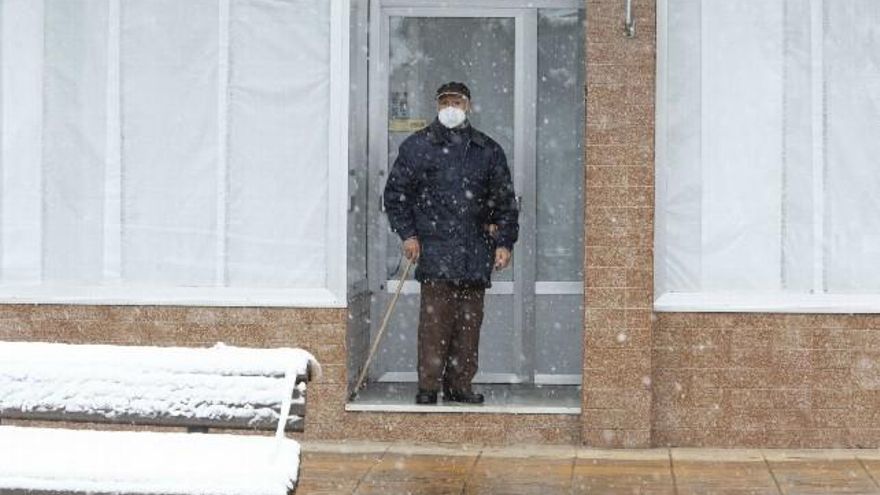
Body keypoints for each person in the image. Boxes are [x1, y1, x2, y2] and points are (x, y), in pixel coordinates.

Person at [383, 81, 519, 405]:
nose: (450, 107)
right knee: (434, 326)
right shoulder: (418, 147)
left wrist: (504, 242)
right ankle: (428, 387)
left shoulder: (487, 150)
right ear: (436, 105)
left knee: (468, 327)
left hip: (475, 252)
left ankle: (460, 386)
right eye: (445, 101)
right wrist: (409, 235)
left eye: (456, 102)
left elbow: (505, 203)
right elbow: (396, 196)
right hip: (435, 252)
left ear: (468, 106)